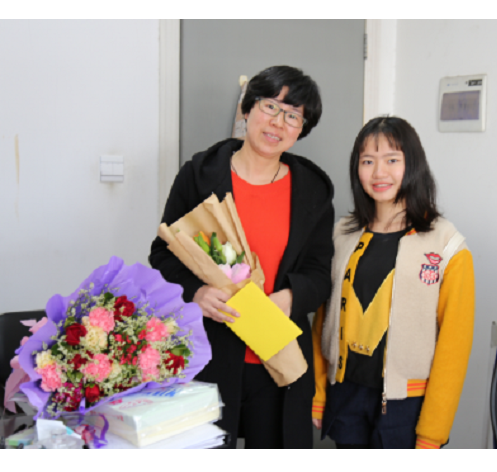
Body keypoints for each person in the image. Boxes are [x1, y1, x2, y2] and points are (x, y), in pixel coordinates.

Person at [149, 66, 334, 448]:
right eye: (270, 106)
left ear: (301, 129)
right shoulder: (200, 175)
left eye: (293, 115)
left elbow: (319, 273)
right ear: (248, 109)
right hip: (209, 354)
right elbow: (163, 254)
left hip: (278, 358)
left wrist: (290, 298)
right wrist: (196, 292)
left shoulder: (312, 190)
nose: (278, 122)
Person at [311, 116, 475, 449]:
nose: (379, 173)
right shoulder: (341, 235)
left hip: (408, 406)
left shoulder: (447, 245)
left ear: (412, 164)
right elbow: (324, 319)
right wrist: (318, 393)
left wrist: (433, 431)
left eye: (391, 160)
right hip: (346, 396)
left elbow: (454, 347)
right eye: (367, 161)